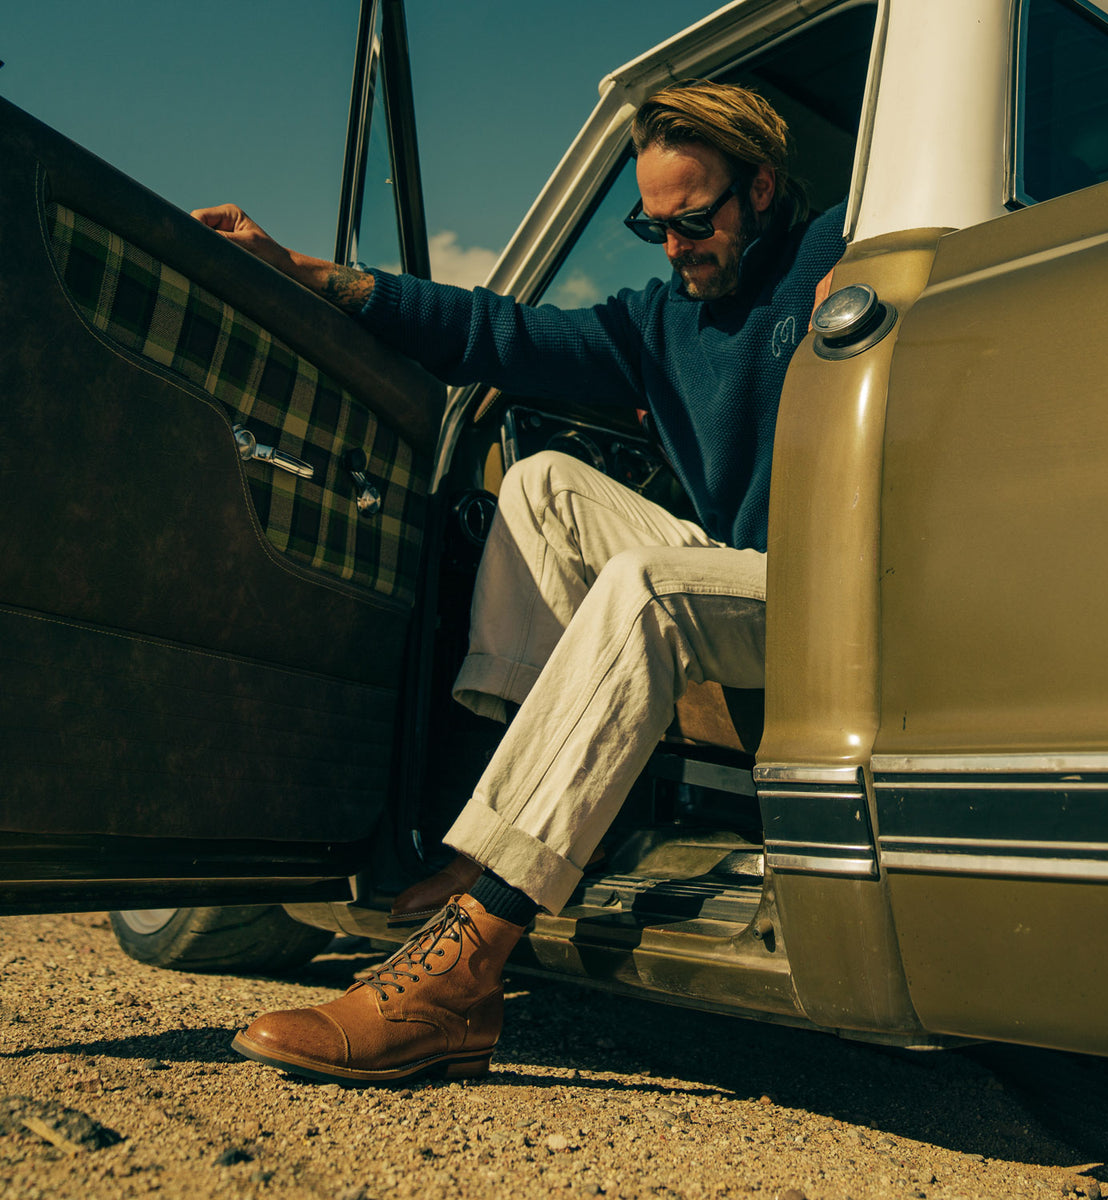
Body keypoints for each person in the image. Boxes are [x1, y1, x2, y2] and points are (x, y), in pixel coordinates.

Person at [193, 80, 846, 1086]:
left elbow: (937, 226)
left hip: (837, 591)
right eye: (652, 226)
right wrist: (310, 275)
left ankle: (469, 965)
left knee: (646, 587)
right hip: (743, 572)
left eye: (695, 221)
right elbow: (496, 334)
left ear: (761, 192)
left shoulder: (839, 251)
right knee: (539, 484)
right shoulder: (660, 323)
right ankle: (483, 826)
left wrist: (867, 265)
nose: (674, 247)